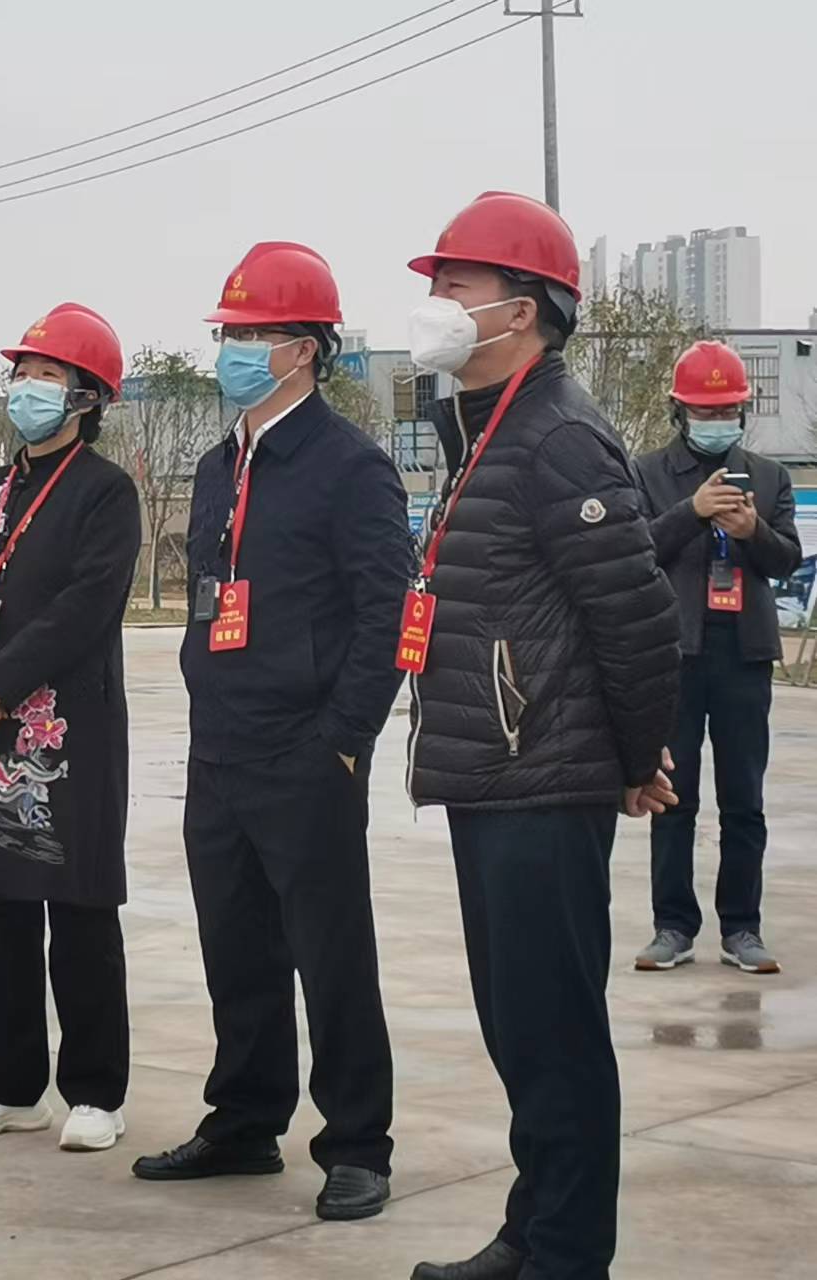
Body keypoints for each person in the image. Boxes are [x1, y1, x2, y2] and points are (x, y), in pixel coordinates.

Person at [401, 192, 682, 1280]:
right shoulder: (488, 426)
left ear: (520, 310)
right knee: (518, 1026)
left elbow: (635, 616)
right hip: (494, 770)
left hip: (542, 776)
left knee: (554, 1029)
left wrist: (632, 758)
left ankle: (567, 1254)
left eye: (455, 284)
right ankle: (531, 1232)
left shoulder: (557, 435)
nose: (435, 300)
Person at [130, 243, 410, 1222]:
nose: (233, 351)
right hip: (220, 745)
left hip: (306, 749)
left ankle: (357, 1144)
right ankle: (245, 1120)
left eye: (252, 334)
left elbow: (386, 614)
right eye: (228, 333)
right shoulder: (221, 464)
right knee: (235, 948)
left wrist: (343, 737)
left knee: (331, 954)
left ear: (303, 349)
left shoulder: (349, 467)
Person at [0, 304, 141, 1153]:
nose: (27, 388)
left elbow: (85, 608)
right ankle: (10, 1087)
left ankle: (95, 1092)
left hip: (63, 730)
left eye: (46, 376)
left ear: (87, 397)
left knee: (79, 913)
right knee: (1, 915)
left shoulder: (106, 493)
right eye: (21, 373)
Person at [632, 340, 802, 976]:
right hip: (675, 652)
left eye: (727, 410)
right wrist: (692, 511)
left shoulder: (768, 477)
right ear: (680, 412)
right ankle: (673, 926)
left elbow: (786, 560)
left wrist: (753, 531)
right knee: (674, 797)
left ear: (743, 411)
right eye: (704, 412)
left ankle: (742, 927)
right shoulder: (648, 474)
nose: (716, 421)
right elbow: (636, 550)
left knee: (744, 799)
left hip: (744, 654)